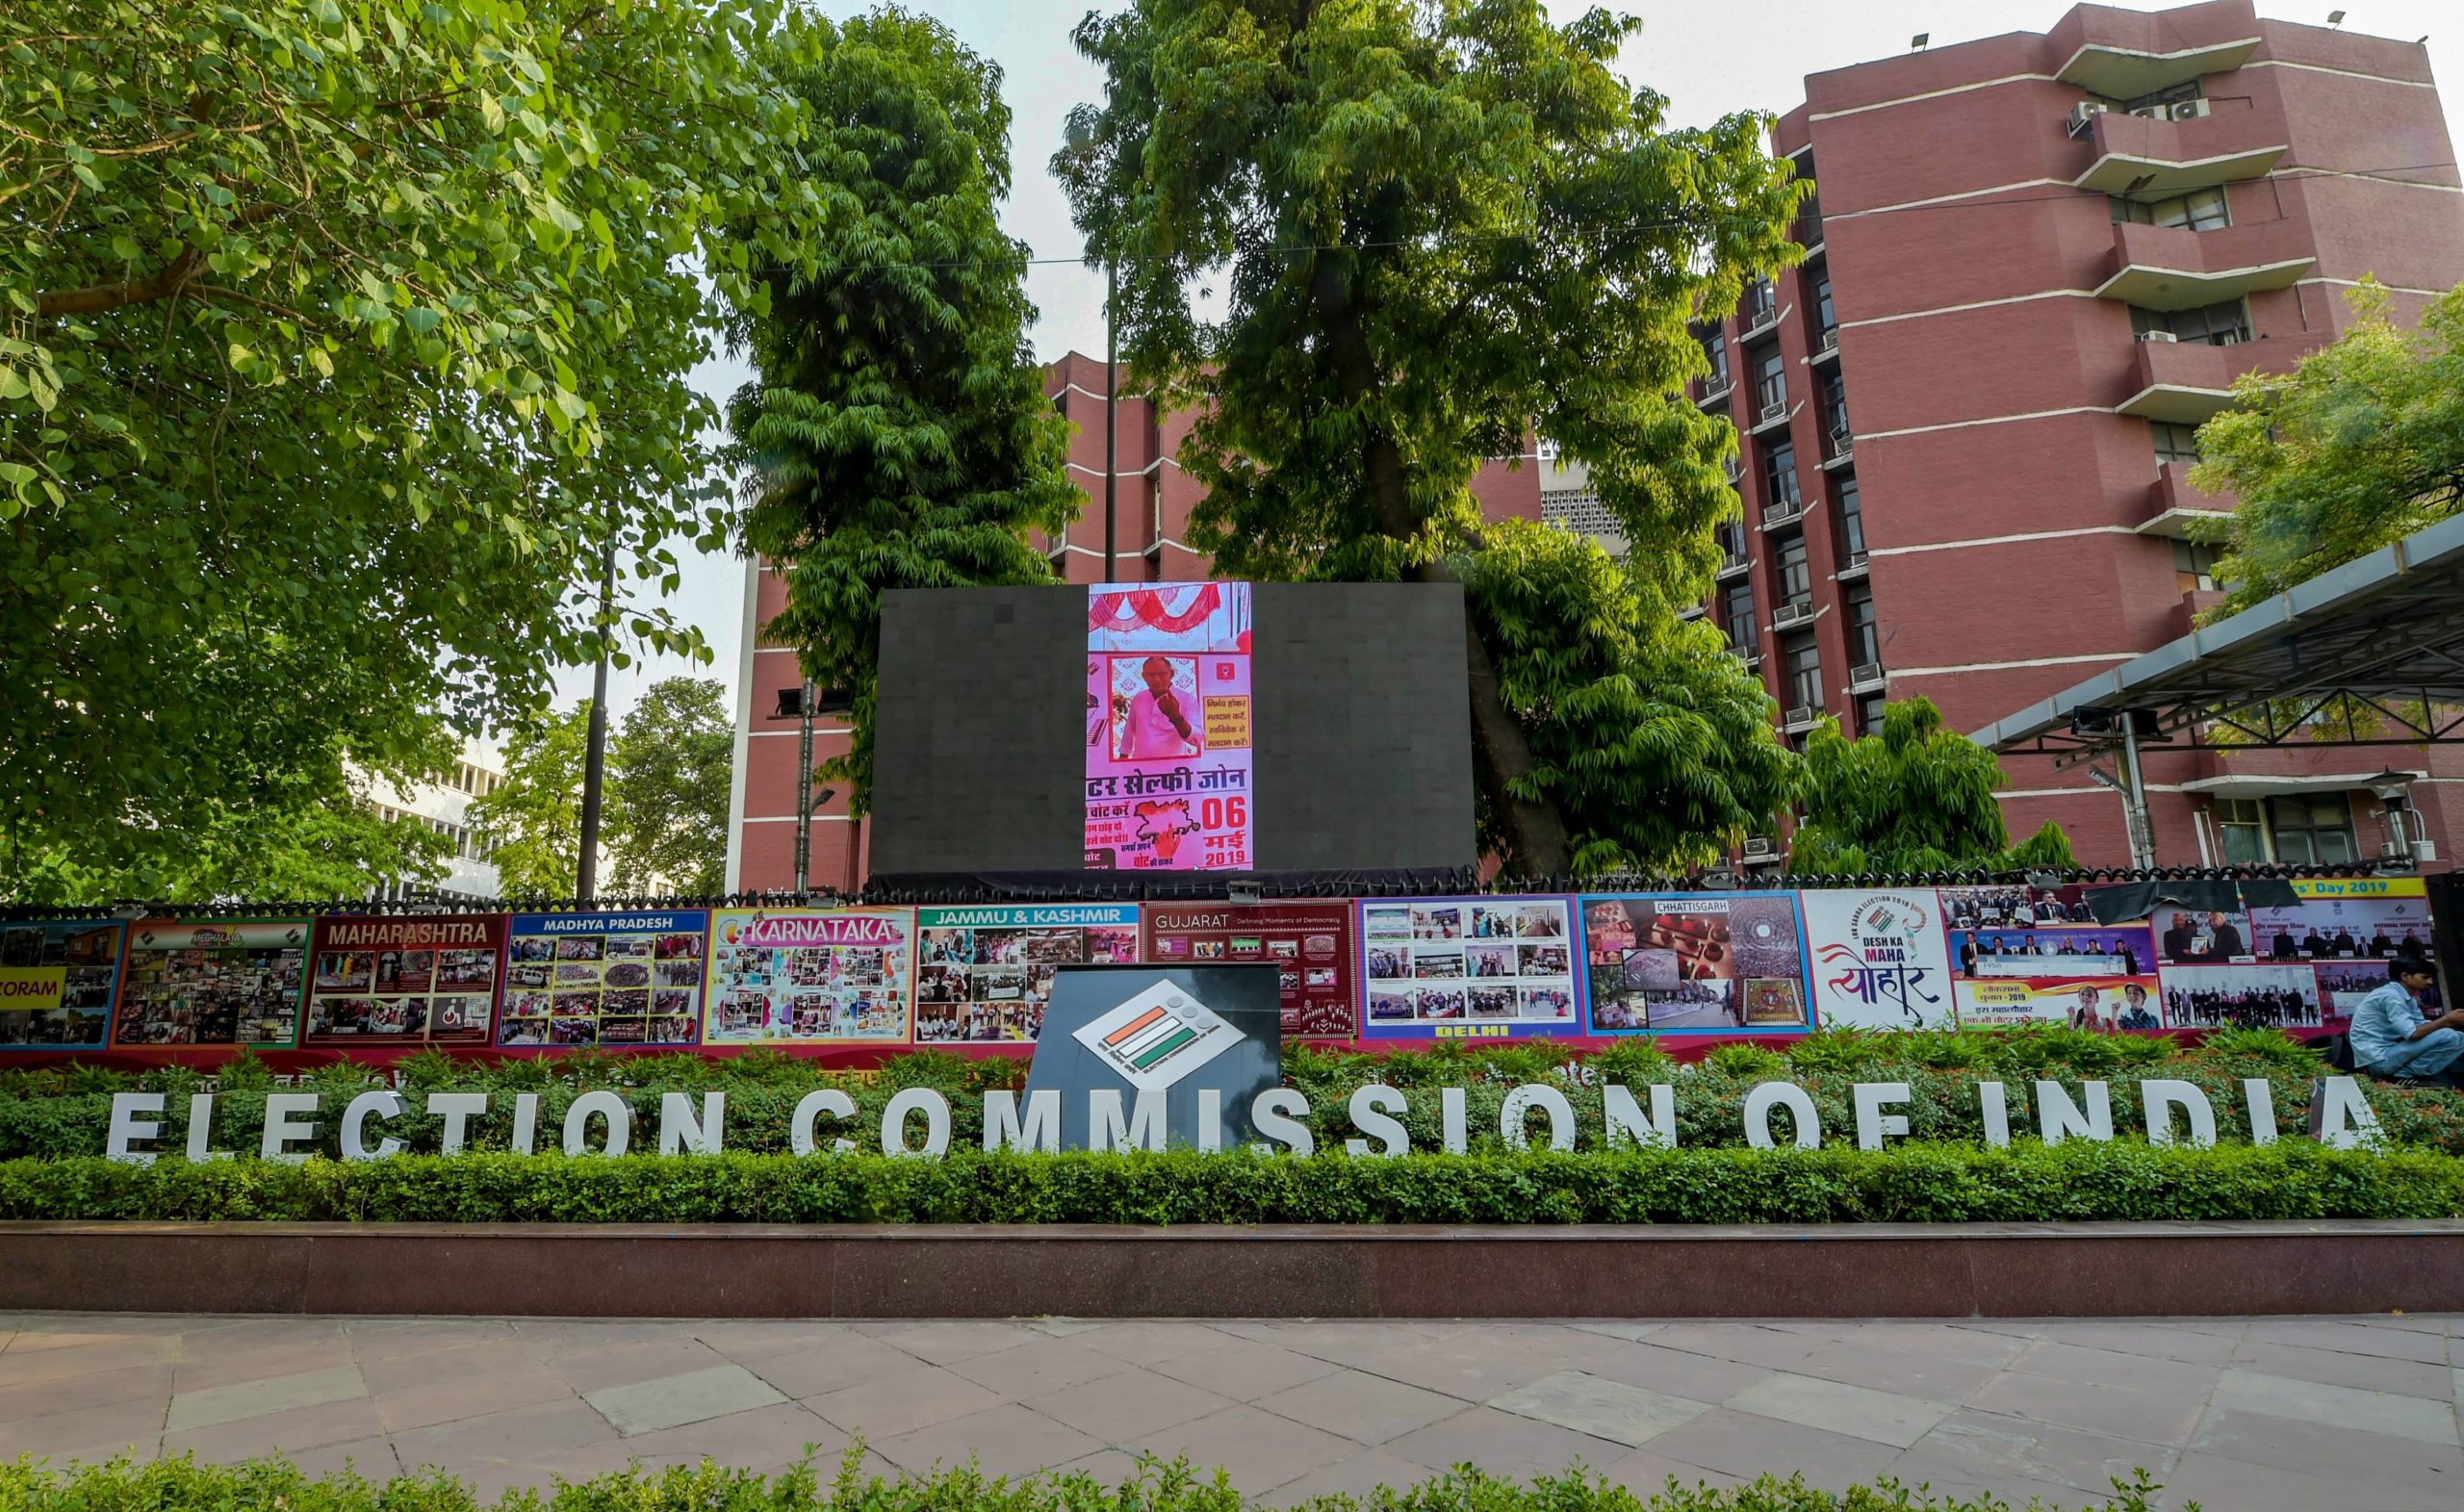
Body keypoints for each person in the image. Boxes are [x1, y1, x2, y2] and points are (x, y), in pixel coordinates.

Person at [2348, 957, 2464, 1087]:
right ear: (2405, 976)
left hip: (2391, 1053)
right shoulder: (2391, 996)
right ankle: (2402, 1075)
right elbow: (2413, 1033)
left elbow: (2422, 1027)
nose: (2430, 982)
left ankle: (2406, 1074)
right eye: (2425, 977)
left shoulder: (2407, 997)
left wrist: (2452, 1021)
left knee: (2460, 1037)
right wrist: (2447, 1019)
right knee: (2448, 1035)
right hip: (2378, 1060)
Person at [1118, 655, 1197, 759]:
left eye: (1162, 674)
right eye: (1151, 675)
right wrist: (1121, 762)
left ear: (1171, 674)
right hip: (1140, 765)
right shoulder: (1139, 699)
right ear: (1144, 677)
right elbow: (1129, 733)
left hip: (1174, 766)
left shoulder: (1187, 699)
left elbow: (1196, 739)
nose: (1156, 679)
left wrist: (1176, 717)